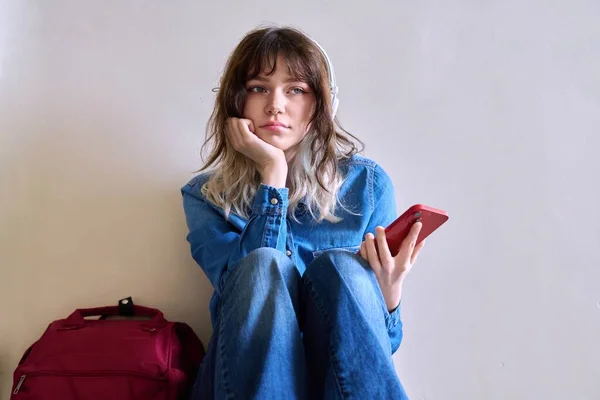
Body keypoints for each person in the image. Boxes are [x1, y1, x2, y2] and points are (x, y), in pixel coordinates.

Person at [181, 25, 425, 400]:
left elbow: (381, 349)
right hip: (244, 381)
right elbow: (243, 314)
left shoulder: (368, 186)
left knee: (343, 267)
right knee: (264, 264)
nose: (275, 105)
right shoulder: (207, 196)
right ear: (236, 101)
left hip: (337, 385)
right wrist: (272, 177)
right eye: (258, 88)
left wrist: (388, 297)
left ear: (322, 103)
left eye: (295, 90)